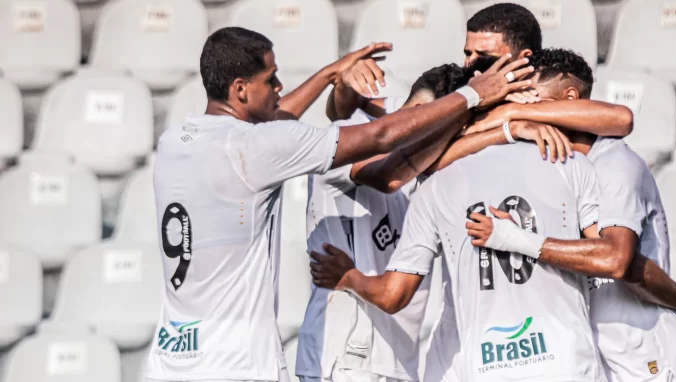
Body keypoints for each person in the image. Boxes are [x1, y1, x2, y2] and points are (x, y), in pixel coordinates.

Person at [146, 26, 532, 382]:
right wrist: (476, 99)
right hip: (236, 365)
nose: (280, 87)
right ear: (241, 89)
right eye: (271, 80)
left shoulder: (176, 140)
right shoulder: (257, 148)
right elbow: (383, 145)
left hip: (170, 360)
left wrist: (331, 74)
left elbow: (271, 126)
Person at [309, 107, 610, 381]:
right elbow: (607, 262)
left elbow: (394, 294)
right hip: (564, 362)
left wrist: (349, 277)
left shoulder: (435, 188)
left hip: (484, 364)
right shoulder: (568, 162)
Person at [466, 49, 676, 381]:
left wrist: (515, 239)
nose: (525, 115)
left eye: (532, 99)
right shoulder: (553, 171)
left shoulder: (616, 164)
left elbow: (616, 260)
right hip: (586, 359)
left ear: (570, 98)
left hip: (646, 356)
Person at [326, 3, 547, 122]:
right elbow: (346, 112)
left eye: (483, 54)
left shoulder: (549, 99)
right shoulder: (448, 90)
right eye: (468, 53)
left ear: (524, 58)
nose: (470, 62)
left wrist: (515, 113)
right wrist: (345, 85)